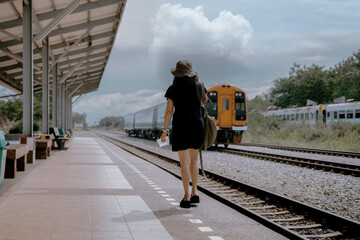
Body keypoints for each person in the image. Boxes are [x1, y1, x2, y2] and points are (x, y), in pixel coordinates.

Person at [160, 60, 205, 208]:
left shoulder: (173, 88)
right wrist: (197, 81)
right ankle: (195, 192)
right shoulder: (199, 86)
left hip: (181, 126)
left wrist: (164, 131)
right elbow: (203, 102)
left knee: (184, 163)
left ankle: (186, 197)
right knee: (194, 161)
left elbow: (169, 111)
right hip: (197, 126)